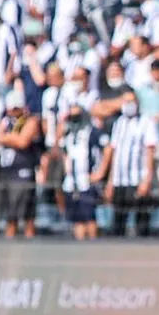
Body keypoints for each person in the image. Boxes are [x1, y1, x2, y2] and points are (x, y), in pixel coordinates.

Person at [105, 92, 158, 237]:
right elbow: (115, 152)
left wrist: (147, 179)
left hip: (137, 177)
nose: (129, 105)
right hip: (120, 180)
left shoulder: (146, 122)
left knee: (141, 223)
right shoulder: (119, 122)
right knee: (118, 223)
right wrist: (110, 181)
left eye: (132, 101)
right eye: (126, 101)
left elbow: (150, 151)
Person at [60, 102, 110, 241]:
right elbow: (64, 152)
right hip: (71, 181)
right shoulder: (68, 133)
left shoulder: (92, 131)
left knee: (89, 216)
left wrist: (100, 172)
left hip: (86, 180)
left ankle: (92, 246)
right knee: (77, 219)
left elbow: (107, 148)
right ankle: (80, 244)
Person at [0, 91, 42, 239]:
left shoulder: (31, 120)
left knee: (26, 215)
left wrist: (5, 138)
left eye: (16, 109)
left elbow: (23, 141)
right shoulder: (5, 121)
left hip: (23, 172)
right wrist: (10, 138)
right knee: (10, 215)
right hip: (6, 171)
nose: (12, 112)